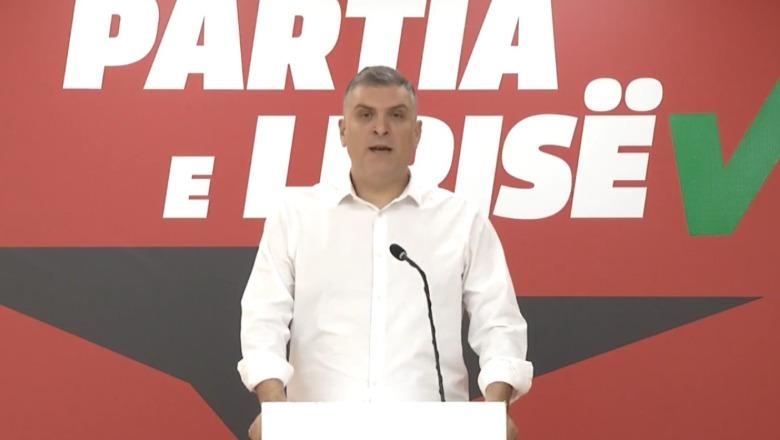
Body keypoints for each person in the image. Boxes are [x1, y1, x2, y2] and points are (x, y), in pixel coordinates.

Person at [238, 66, 533, 440]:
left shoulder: (460, 220)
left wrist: (495, 406)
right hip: (318, 430)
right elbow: (264, 318)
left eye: (396, 115)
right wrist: (274, 407)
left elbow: (499, 323)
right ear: (343, 131)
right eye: (365, 115)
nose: (381, 128)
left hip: (432, 431)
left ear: (417, 133)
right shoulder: (295, 216)